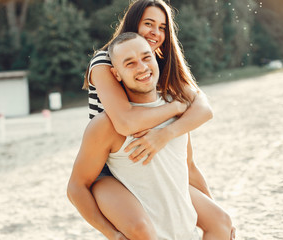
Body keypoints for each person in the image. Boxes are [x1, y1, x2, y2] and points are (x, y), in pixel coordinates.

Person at [79, 0, 235, 239]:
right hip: (107, 167)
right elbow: (125, 122)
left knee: (220, 221)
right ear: (132, 24)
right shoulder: (104, 61)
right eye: (149, 24)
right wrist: (177, 107)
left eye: (162, 27)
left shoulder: (158, 61)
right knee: (143, 231)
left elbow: (203, 108)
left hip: (150, 160)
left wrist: (167, 133)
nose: (156, 32)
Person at [68, 32, 201, 239]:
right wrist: (111, 234)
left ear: (156, 57)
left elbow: (189, 167)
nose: (142, 67)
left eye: (146, 57)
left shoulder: (176, 109)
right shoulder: (106, 126)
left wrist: (214, 212)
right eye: (129, 63)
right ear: (116, 74)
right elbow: (76, 187)